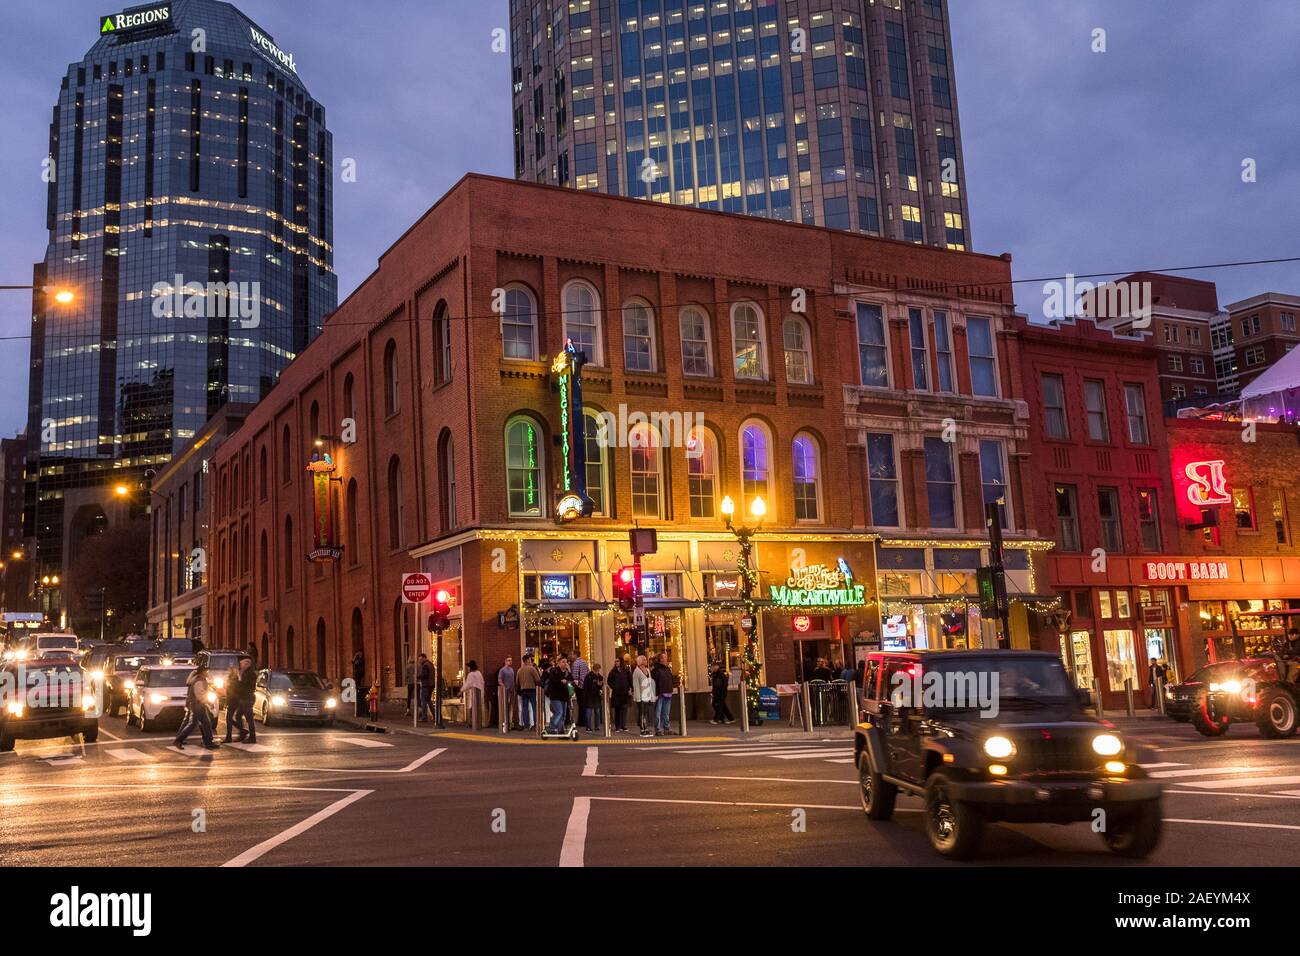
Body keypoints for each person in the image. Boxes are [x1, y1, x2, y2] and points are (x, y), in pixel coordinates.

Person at [175, 663, 218, 750]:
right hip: (197, 705)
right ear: (202, 672)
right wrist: (209, 703)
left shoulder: (200, 679)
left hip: (199, 704)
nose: (208, 672)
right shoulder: (198, 681)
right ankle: (178, 740)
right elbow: (200, 695)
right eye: (206, 671)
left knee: (206, 723)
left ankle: (208, 742)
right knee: (192, 724)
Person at [544, 658, 571, 734]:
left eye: (566, 662)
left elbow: (570, 679)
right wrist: (561, 681)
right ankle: (551, 727)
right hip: (555, 696)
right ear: (558, 663)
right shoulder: (554, 671)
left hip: (564, 696)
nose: (565, 663)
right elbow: (553, 681)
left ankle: (561, 731)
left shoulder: (567, 672)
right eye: (563, 662)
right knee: (559, 712)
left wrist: (572, 680)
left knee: (563, 715)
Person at [651, 652, 675, 736]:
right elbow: (653, 682)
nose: (666, 659)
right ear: (660, 659)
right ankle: (657, 729)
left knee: (666, 712)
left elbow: (671, 679)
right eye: (664, 657)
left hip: (668, 692)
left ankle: (666, 728)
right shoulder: (656, 670)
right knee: (658, 712)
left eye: (666, 657)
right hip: (660, 693)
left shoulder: (667, 669)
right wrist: (655, 693)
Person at [607, 657, 632, 733]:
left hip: (624, 693)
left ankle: (623, 726)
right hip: (617, 693)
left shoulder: (626, 671)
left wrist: (630, 688)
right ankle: (617, 726)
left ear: (621, 662)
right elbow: (609, 681)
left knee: (624, 709)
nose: (616, 662)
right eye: (615, 661)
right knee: (617, 710)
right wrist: (614, 687)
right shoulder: (613, 671)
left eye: (617, 661)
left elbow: (630, 680)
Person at [517, 653, 541, 730]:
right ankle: (535, 724)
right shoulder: (532, 669)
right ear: (527, 660)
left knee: (525, 708)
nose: (531, 661)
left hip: (523, 690)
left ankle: (526, 725)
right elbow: (538, 680)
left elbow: (517, 682)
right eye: (530, 659)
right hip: (532, 690)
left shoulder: (519, 670)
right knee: (534, 707)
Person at [632, 655, 655, 737]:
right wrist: (638, 697)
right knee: (642, 713)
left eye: (646, 659)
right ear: (640, 661)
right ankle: (642, 730)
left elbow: (650, 683)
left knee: (646, 713)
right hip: (641, 695)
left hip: (647, 695)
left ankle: (646, 729)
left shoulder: (648, 670)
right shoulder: (636, 671)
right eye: (644, 659)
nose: (646, 661)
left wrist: (652, 695)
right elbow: (636, 685)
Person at [570, 651, 590, 731]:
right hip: (585, 685)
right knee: (584, 704)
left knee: (581, 704)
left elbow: (574, 676)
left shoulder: (575, 663)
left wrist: (573, 684)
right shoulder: (584, 662)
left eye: (572, 654)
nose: (571, 656)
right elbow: (588, 673)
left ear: (575, 655)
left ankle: (582, 721)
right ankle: (585, 721)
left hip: (579, 686)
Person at [463, 660, 485, 728]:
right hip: (480, 693)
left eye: (468, 667)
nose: (468, 668)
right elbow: (482, 682)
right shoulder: (479, 673)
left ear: (470, 667)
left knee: (472, 708)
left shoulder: (471, 674)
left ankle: (473, 722)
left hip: (474, 694)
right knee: (478, 708)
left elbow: (467, 684)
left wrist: (461, 691)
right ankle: (478, 722)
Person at [583, 663, 605, 733]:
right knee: (590, 712)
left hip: (596, 696)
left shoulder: (599, 677)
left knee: (597, 711)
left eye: (598, 670)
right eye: (597, 670)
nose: (597, 671)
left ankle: (596, 726)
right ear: (594, 669)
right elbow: (585, 687)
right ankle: (589, 727)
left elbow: (601, 686)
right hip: (590, 696)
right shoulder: (589, 676)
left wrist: (600, 686)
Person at [497, 656, 517, 730]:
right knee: (505, 707)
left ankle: (510, 723)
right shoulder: (502, 670)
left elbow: (513, 680)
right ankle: (505, 723)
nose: (510, 662)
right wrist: (503, 686)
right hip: (506, 691)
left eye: (511, 660)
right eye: (508, 660)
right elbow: (499, 679)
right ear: (505, 661)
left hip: (512, 691)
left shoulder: (512, 670)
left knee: (511, 707)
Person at [416, 653, 434, 722]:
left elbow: (425, 675)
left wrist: (418, 677)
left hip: (426, 685)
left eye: (420, 659)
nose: (419, 661)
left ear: (424, 658)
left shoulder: (425, 665)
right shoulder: (430, 664)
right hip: (431, 684)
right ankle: (435, 715)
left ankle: (424, 717)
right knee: (428, 700)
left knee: (423, 701)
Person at [351, 649, 366, 718]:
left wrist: (357, 656)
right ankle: (357, 695)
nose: (358, 654)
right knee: (357, 684)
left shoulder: (361, 659)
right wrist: (355, 656)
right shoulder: (358, 658)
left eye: (359, 653)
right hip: (357, 673)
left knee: (358, 684)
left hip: (359, 673)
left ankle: (358, 696)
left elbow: (356, 663)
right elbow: (352, 662)